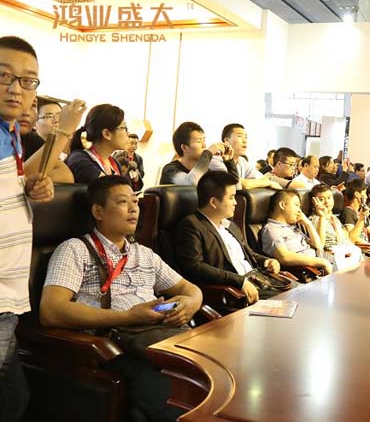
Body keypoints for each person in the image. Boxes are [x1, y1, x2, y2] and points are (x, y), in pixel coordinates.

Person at [40, 176, 202, 422]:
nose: (133, 208)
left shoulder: (144, 254)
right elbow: (51, 310)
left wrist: (191, 303)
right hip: (114, 348)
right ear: (98, 211)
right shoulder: (75, 249)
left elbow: (190, 289)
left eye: (135, 202)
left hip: (162, 338)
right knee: (181, 405)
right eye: (123, 202)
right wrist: (127, 317)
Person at [0, 35, 69, 422]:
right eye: (4, 76)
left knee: (14, 399)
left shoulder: (10, 134)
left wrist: (27, 187)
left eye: (27, 81)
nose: (16, 88)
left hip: (8, 297)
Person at [174, 171, 284, 303]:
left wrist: (267, 261)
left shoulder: (230, 225)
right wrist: (239, 281)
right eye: (231, 198)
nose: (235, 203)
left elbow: (248, 253)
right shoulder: (192, 225)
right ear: (213, 202)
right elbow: (195, 267)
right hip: (235, 291)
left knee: (299, 294)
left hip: (259, 280)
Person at [260, 189, 333, 274]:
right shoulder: (272, 229)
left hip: (324, 262)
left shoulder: (293, 227)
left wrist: (308, 224)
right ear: (282, 205)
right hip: (309, 272)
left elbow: (319, 247)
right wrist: (321, 262)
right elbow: (284, 257)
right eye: (296, 205)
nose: (300, 211)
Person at [66, 104, 130, 184]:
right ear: (107, 134)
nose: (128, 133)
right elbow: (107, 188)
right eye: (124, 128)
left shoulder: (115, 163)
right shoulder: (79, 159)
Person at [210, 123, 281, 190]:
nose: (245, 141)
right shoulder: (215, 160)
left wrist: (266, 182)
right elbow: (236, 184)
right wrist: (269, 183)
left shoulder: (242, 161)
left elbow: (263, 178)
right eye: (240, 136)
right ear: (226, 141)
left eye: (246, 137)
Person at [307, 183, 362, 269]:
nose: (327, 202)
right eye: (321, 199)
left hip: (346, 253)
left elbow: (348, 238)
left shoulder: (334, 218)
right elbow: (319, 247)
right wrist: (322, 217)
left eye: (329, 198)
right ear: (314, 201)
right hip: (331, 259)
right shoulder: (314, 219)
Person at [160, 121, 231, 186]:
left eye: (204, 140)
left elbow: (228, 188)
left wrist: (229, 162)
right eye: (199, 141)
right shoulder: (170, 171)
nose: (204, 146)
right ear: (184, 147)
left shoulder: (206, 169)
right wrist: (209, 153)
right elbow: (192, 183)